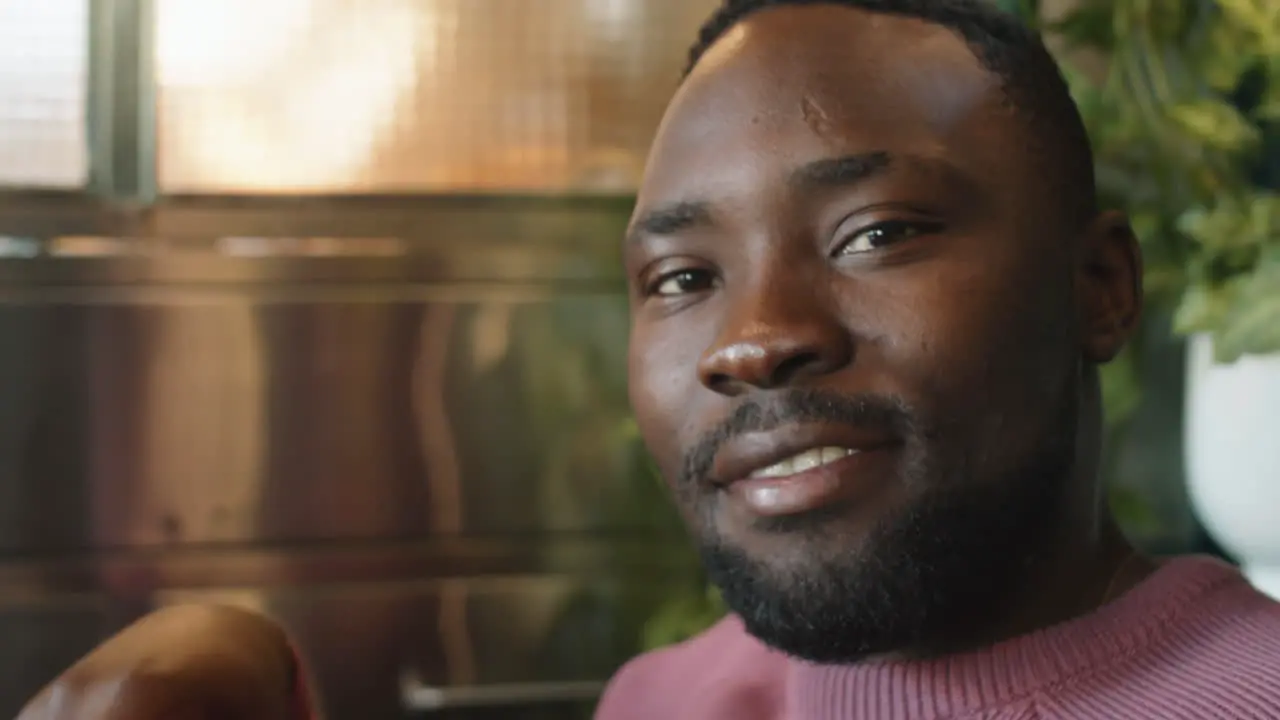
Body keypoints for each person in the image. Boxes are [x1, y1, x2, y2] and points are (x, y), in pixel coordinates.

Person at [16, 1, 1280, 719]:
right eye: (682, 278)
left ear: (1100, 290)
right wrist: (218, 651)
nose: (750, 338)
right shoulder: (667, 699)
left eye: (876, 232)